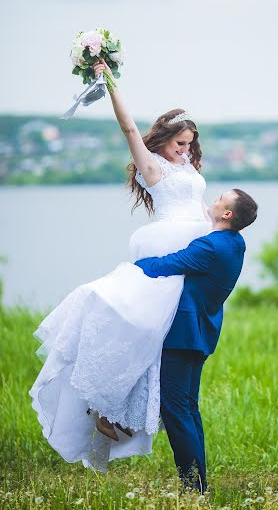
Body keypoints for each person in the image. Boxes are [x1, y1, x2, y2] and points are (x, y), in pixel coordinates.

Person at [29, 60, 212, 471]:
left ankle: (117, 410)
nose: (184, 151)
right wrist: (109, 82)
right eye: (179, 144)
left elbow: (200, 204)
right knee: (140, 328)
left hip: (193, 252)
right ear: (164, 141)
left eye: (189, 144)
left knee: (159, 338)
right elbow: (129, 128)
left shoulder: (186, 168)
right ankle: (105, 404)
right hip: (167, 252)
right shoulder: (153, 167)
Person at [135, 188, 258, 493]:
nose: (213, 202)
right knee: (188, 408)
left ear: (227, 214)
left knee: (176, 409)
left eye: (219, 200)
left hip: (182, 336)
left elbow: (166, 265)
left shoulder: (210, 246)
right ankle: (199, 483)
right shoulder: (234, 242)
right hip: (201, 333)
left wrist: (132, 268)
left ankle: (193, 487)